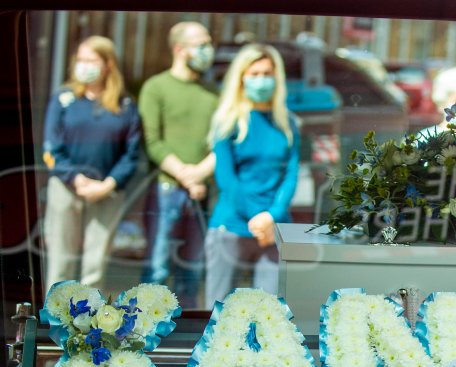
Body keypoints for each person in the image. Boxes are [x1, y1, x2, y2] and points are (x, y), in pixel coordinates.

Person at [42, 36, 142, 294]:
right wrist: (75, 178)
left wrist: (108, 184)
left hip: (106, 191)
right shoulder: (64, 99)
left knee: (95, 265)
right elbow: (51, 148)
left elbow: (131, 154)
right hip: (66, 187)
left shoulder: (125, 105)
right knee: (61, 260)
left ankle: (87, 327)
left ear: (108, 64)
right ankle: (54, 322)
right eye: (80, 60)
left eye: (91, 60)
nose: (84, 65)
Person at [205, 43, 299, 308]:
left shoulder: (287, 122)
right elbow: (227, 180)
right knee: (219, 314)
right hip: (232, 225)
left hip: (273, 230)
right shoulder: (227, 121)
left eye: (267, 73)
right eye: (254, 73)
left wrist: (271, 217)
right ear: (241, 78)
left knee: (267, 314)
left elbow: (291, 173)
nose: (261, 80)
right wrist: (257, 219)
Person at [139, 21, 219, 308]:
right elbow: (152, 142)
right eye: (201, 43)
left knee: (192, 270)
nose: (208, 50)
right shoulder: (156, 87)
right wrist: (186, 175)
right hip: (166, 190)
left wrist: (200, 175)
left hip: (200, 193)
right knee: (157, 268)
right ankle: (146, 330)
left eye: (208, 43)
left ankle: (184, 336)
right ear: (179, 48)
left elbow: (220, 145)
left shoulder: (213, 93)